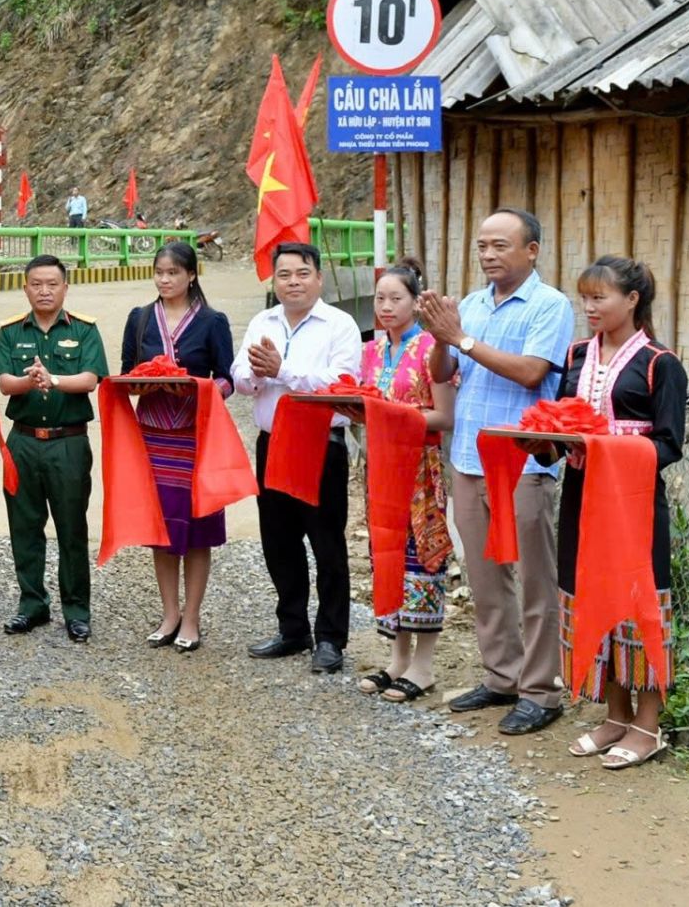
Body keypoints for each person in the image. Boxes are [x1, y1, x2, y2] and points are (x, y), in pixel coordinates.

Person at [416, 208, 575, 734]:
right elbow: (442, 372)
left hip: (524, 463)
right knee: (486, 579)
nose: (488, 254)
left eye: (500, 245)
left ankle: (541, 691)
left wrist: (460, 338)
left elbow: (533, 374)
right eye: (482, 245)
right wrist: (440, 336)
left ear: (532, 251)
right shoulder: (469, 305)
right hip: (468, 458)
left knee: (533, 578)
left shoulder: (550, 306)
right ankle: (501, 675)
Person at [557, 256, 685, 769]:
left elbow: (670, 444)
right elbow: (563, 423)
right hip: (580, 495)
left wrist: (607, 445)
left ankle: (647, 725)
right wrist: (542, 442)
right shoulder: (577, 353)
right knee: (591, 594)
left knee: (640, 602)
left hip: (633, 505)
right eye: (584, 297)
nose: (588, 307)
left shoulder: (659, 363)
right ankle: (615, 715)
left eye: (599, 297)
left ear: (632, 301)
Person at [231, 240, 363, 673]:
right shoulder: (262, 320)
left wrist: (280, 370)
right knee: (278, 539)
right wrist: (254, 374)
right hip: (272, 441)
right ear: (274, 279)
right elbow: (240, 376)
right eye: (284, 274)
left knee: (326, 542)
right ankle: (292, 629)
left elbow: (341, 381)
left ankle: (330, 639)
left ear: (319, 278)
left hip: (320, 445)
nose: (293, 282)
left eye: (302, 273)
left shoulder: (339, 324)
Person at [120, 242, 233, 653]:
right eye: (159, 272)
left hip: (195, 433)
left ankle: (192, 616)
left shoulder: (212, 321)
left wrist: (199, 390)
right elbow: (125, 375)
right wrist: (144, 383)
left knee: (197, 527)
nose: (165, 280)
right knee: (161, 526)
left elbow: (226, 379)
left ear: (191, 275)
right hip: (153, 433)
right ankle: (169, 612)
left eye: (173, 273)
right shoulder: (139, 319)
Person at [0, 254, 107, 642]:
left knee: (72, 527)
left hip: (68, 442)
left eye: (52, 284)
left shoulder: (85, 330)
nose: (44, 290)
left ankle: (76, 610)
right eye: (36, 284)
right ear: (25, 288)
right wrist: (30, 381)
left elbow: (91, 379)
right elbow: (5, 381)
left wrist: (52, 378)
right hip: (23, 440)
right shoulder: (11, 332)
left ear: (65, 288)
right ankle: (32, 604)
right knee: (24, 526)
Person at [354, 259, 455, 702]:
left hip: (420, 467)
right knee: (387, 555)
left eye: (397, 298)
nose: (387, 306)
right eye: (380, 299)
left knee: (423, 560)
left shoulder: (433, 349)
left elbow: (444, 416)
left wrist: (394, 417)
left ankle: (424, 664)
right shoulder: (371, 352)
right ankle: (397, 657)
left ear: (417, 302)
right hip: (380, 467)